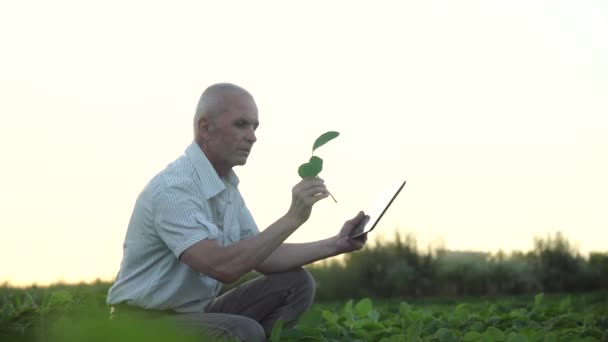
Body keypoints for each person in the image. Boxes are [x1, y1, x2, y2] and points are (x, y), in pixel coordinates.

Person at [106, 83, 368, 341]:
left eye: (255, 127)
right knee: (243, 331)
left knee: (297, 284)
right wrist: (293, 218)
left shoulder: (226, 186)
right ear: (205, 128)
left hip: (194, 316)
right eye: (241, 124)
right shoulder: (174, 188)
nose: (253, 136)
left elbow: (263, 257)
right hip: (140, 326)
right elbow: (223, 267)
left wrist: (337, 243)